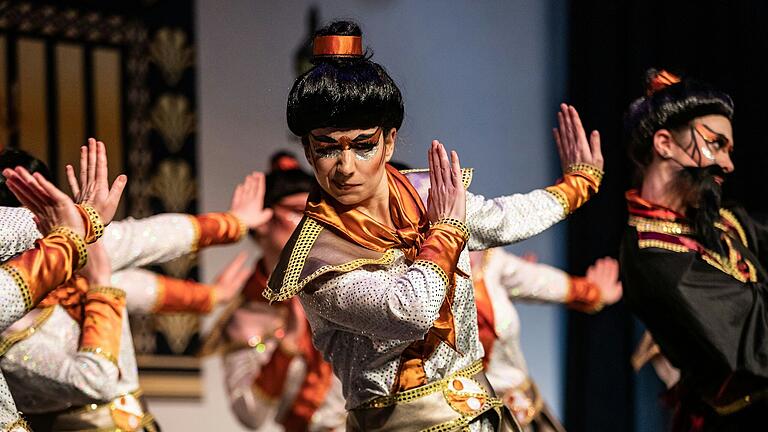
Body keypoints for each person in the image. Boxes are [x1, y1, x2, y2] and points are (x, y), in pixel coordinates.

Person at [265, 20, 604, 431]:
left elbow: (501, 218)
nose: (345, 167)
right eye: (327, 149)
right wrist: (445, 230)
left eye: (363, 144)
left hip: (482, 418)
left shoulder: (425, 194)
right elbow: (410, 311)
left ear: (389, 141)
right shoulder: (316, 257)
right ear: (307, 149)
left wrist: (576, 186)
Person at [0, 142, 273, 431]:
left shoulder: (76, 258)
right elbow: (96, 382)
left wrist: (214, 285)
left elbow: (141, 243)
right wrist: (101, 289)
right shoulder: (12, 331)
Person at [620, 69, 768, 431]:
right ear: (665, 143)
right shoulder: (656, 258)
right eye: (716, 144)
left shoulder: (711, 222)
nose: (729, 164)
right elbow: (752, 344)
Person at [201, 152, 346, 432]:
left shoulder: (343, 285)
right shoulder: (247, 316)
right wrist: (287, 346)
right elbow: (249, 415)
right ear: (263, 221)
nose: (312, 223)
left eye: (317, 213)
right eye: (298, 211)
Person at [0, 142, 126, 431]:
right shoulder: (13, 340)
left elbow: (140, 238)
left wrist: (232, 224)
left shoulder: (77, 271)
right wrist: (80, 223)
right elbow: (96, 382)